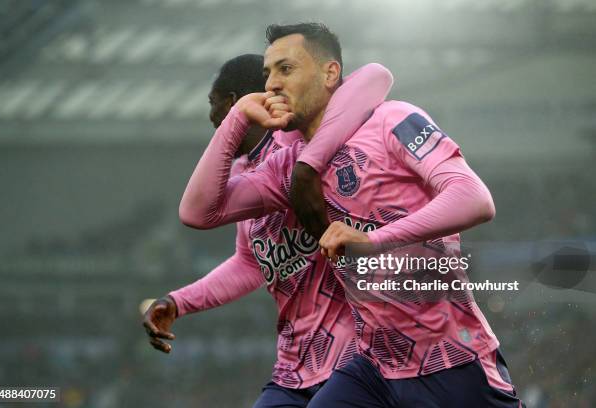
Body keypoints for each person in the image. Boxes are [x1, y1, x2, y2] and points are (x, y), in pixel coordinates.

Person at [179, 23, 525, 407]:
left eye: (286, 69)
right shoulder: (287, 166)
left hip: (451, 358)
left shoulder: (393, 120)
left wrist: (373, 241)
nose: (272, 84)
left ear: (330, 74)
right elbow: (198, 212)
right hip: (373, 368)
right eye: (267, 73)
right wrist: (237, 117)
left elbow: (474, 198)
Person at [143, 53, 393, 407]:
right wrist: (178, 302)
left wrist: (307, 167)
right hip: (294, 366)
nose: (211, 117)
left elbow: (376, 75)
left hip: (356, 357)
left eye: (213, 104)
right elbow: (249, 264)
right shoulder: (242, 179)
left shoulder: (296, 140)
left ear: (233, 102)